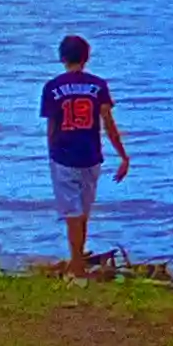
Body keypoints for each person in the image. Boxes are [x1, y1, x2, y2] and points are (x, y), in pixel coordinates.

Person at [37, 34, 130, 268]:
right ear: (86, 57)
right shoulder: (98, 85)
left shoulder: (52, 86)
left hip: (64, 155)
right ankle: (78, 254)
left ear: (62, 58)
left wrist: (51, 152)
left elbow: (52, 125)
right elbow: (108, 121)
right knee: (83, 211)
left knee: (72, 214)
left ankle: (77, 262)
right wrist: (122, 154)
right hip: (90, 154)